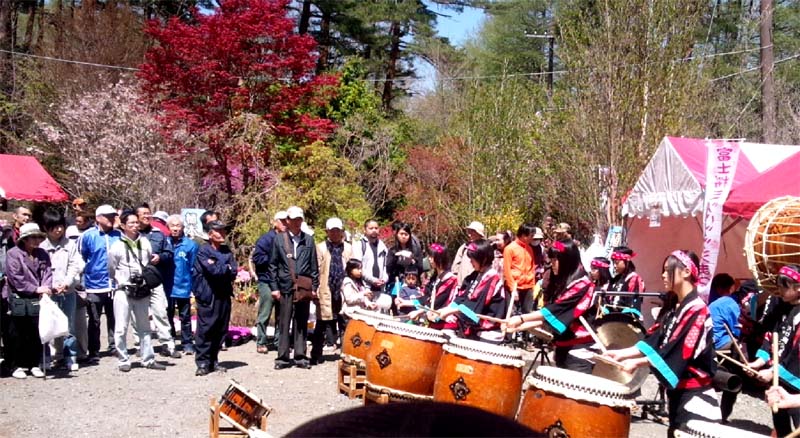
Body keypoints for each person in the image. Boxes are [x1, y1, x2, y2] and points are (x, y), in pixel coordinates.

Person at [603, 250, 720, 436]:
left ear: (686, 272)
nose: (663, 275)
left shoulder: (698, 310)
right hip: (678, 394)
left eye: (667, 270)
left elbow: (678, 349)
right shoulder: (675, 306)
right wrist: (620, 353)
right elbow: (654, 339)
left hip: (695, 396)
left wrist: (637, 363)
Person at [506, 239, 597, 372]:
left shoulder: (582, 285)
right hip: (563, 347)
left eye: (555, 260)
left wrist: (521, 319)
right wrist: (517, 326)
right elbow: (549, 316)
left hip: (579, 352)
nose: (552, 264)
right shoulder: (564, 283)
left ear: (567, 261)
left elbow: (554, 311)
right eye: (552, 259)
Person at [108, 210, 166, 372]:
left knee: (144, 326)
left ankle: (148, 358)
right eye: (131, 223)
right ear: (123, 226)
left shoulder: (145, 243)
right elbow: (111, 269)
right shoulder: (117, 246)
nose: (135, 226)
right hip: (123, 289)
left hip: (142, 289)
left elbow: (148, 263)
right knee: (121, 327)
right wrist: (121, 280)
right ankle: (123, 359)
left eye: (136, 223)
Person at [745, 264, 800, 436]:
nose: (780, 291)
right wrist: (759, 362)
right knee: (780, 423)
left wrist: (773, 370)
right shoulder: (781, 307)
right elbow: (771, 337)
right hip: (778, 378)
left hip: (795, 382)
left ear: (798, 288)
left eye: (784, 287)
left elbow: (795, 352)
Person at [268, 206, 319, 370]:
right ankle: (282, 357)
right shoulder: (279, 239)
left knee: (302, 322)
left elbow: (314, 266)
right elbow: (273, 265)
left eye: (299, 219)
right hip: (285, 287)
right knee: (284, 322)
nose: (297, 223)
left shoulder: (309, 240)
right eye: (293, 219)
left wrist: (314, 287)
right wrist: (274, 287)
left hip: (303, 287)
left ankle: (300, 356)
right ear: (287, 221)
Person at [3, 223, 51, 379]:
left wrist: (46, 287)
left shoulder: (43, 253)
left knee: (36, 331)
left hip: (38, 298)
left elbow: (47, 273)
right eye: (33, 237)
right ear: (24, 239)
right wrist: (35, 288)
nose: (36, 240)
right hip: (18, 297)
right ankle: (15, 364)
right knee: (16, 332)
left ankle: (34, 363)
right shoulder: (13, 254)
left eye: (38, 237)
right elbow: (15, 277)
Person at [435, 239, 507, 344]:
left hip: (487, 332)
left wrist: (451, 311)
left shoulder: (491, 278)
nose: (470, 261)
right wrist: (448, 309)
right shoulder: (475, 275)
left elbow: (474, 309)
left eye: (473, 259)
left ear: (484, 259)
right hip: (475, 329)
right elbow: (462, 297)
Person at [39, 210, 84, 371]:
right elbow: (40, 269)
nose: (58, 230)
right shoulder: (41, 246)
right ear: (46, 228)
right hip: (48, 292)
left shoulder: (70, 245)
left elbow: (75, 265)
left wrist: (66, 282)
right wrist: (48, 286)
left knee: (69, 325)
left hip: (68, 291)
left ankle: (69, 356)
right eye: (54, 227)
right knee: (47, 325)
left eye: (61, 226)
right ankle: (47, 357)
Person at [193, 220, 237, 376]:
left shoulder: (226, 251)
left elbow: (234, 271)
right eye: (219, 231)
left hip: (224, 294)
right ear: (210, 234)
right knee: (206, 328)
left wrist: (222, 267)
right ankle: (203, 362)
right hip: (208, 294)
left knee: (220, 328)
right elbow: (213, 271)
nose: (222, 234)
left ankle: (214, 360)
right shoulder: (203, 251)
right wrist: (224, 267)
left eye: (224, 231)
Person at [135, 203, 179, 358]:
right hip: (137, 282)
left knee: (161, 311)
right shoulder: (131, 235)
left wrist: (160, 257)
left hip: (155, 279)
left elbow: (169, 253)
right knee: (139, 315)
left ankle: (168, 344)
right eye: (143, 214)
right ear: (136, 216)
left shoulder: (159, 234)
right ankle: (141, 346)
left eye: (149, 213)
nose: (147, 216)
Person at [79, 204, 121, 362]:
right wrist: (82, 282)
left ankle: (114, 346)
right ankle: (94, 351)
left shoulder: (119, 235)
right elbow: (79, 258)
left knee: (114, 317)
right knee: (94, 320)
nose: (111, 219)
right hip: (94, 285)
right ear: (98, 218)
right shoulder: (87, 236)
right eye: (107, 216)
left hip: (114, 285)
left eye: (113, 216)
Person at [311, 217, 352, 364]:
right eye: (332, 230)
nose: (335, 233)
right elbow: (315, 269)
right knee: (322, 322)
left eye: (338, 230)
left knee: (344, 322)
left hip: (344, 290)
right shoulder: (320, 247)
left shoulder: (348, 248)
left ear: (342, 231)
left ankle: (347, 353)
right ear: (327, 232)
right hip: (325, 288)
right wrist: (314, 289)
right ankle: (316, 354)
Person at [252, 211, 287, 354]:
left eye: (287, 221)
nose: (285, 224)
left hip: (283, 282)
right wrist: (275, 259)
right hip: (267, 280)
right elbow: (257, 259)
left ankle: (279, 341)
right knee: (265, 312)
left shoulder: (289, 239)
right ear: (275, 222)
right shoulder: (266, 239)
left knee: (283, 314)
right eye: (282, 221)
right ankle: (261, 341)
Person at [164, 214, 198, 354]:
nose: (175, 228)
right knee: (167, 315)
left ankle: (187, 343)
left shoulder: (190, 245)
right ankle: (169, 341)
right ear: (168, 227)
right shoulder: (164, 242)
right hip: (167, 285)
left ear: (183, 227)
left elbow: (194, 267)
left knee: (185, 316)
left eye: (178, 225)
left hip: (183, 285)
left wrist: (193, 287)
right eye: (172, 225)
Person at [503, 224, 537, 319]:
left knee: (527, 314)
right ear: (523, 235)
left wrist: (533, 285)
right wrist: (512, 288)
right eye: (531, 235)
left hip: (528, 286)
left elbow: (532, 268)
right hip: (515, 286)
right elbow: (507, 270)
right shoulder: (509, 249)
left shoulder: (530, 249)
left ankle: (525, 334)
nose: (532, 238)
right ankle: (510, 334)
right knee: (512, 314)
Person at [352, 219, 388, 297]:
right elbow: (358, 268)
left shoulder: (383, 246)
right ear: (365, 230)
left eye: (376, 228)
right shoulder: (359, 245)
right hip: (365, 288)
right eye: (371, 228)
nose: (374, 230)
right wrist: (373, 280)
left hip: (381, 289)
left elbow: (385, 266)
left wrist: (384, 279)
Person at [385, 222, 423, 293]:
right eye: (401, 234)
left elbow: (420, 268)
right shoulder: (392, 251)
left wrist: (413, 259)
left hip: (412, 283)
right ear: (397, 235)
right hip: (396, 283)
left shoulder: (416, 250)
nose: (403, 236)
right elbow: (388, 268)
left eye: (406, 234)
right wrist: (397, 256)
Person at [607, 246, 645, 311]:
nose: (615, 266)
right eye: (614, 263)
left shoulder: (634, 278)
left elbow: (633, 304)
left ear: (626, 261)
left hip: (625, 318)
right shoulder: (616, 279)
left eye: (617, 263)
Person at [452, 221, 485, 286]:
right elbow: (456, 266)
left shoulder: (484, 248)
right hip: (461, 285)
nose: (470, 234)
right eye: (469, 231)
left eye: (473, 232)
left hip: (476, 285)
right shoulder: (464, 247)